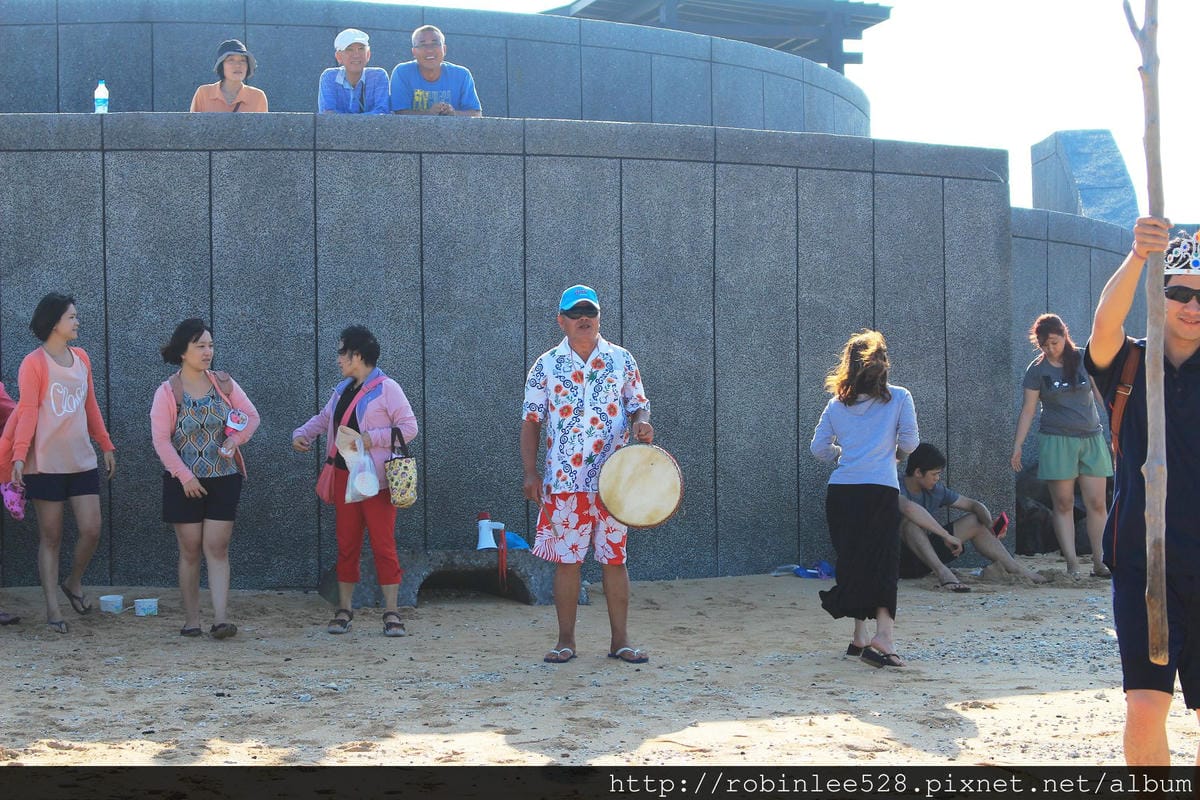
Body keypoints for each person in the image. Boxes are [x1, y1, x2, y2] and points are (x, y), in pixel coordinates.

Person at [1086, 218, 1200, 765]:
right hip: (1143, 561)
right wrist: (1138, 256)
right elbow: (1103, 326)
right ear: (1159, 293)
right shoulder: (1129, 362)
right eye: (1179, 293)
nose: (1192, 307)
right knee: (1147, 705)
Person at [521, 285, 652, 664]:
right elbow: (531, 421)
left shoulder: (622, 359)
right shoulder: (546, 365)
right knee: (568, 561)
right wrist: (530, 472)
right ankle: (565, 641)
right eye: (575, 313)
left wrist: (642, 423)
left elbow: (639, 404)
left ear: (598, 317)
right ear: (560, 320)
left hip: (614, 482)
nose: (583, 319)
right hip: (564, 481)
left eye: (589, 312)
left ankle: (620, 641)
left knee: (615, 559)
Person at [0, 293, 116, 633]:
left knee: (91, 529)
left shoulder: (82, 358)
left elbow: (90, 405)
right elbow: (26, 412)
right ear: (54, 323)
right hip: (45, 464)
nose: (77, 321)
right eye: (72, 317)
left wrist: (105, 444)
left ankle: (73, 582)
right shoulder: (33, 363)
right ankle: (53, 610)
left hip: (82, 461)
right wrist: (19, 456)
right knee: (50, 537)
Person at [292, 326, 417, 637]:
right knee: (346, 544)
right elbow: (325, 419)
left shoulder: (388, 388)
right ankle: (344, 609)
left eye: (341, 352)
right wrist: (302, 433)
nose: (338, 359)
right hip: (344, 475)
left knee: (383, 544)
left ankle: (392, 611)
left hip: (377, 480)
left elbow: (409, 427)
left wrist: (371, 438)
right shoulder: (342, 389)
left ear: (357, 355)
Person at [811, 329, 917, 668]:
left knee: (854, 561)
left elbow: (818, 449)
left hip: (842, 492)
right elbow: (910, 443)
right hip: (880, 489)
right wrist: (893, 453)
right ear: (883, 363)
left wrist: (845, 452)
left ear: (848, 365)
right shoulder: (900, 397)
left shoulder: (836, 404)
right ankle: (883, 636)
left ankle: (860, 635)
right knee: (883, 562)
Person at [150, 319, 260, 640]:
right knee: (189, 550)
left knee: (217, 547)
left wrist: (235, 440)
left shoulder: (224, 383)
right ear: (183, 351)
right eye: (200, 346)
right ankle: (192, 620)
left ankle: (221, 619)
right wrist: (185, 476)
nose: (207, 351)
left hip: (223, 477)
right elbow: (161, 441)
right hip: (183, 482)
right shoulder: (168, 391)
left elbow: (251, 417)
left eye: (210, 345)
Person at [1011, 313, 1112, 578]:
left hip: (1091, 437)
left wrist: (1117, 427)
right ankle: (1072, 564)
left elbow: (1101, 395)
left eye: (1054, 343)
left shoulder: (1083, 358)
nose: (1050, 349)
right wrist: (1018, 445)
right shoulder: (1037, 370)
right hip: (1056, 441)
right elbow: (1028, 410)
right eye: (1044, 345)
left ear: (1065, 336)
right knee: (1064, 503)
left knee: (1097, 502)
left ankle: (1100, 562)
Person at [898, 443, 1046, 590]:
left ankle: (1016, 569)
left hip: (923, 557)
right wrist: (945, 535)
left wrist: (989, 524)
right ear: (918, 472)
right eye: (934, 474)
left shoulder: (936, 490)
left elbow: (974, 505)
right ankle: (943, 573)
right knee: (909, 524)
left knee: (976, 521)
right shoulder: (895, 486)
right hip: (896, 560)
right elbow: (909, 508)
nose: (937, 478)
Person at [390, 25, 482, 116]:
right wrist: (428, 114)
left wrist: (453, 113)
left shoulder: (462, 75)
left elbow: (476, 114)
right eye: (422, 45)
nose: (429, 50)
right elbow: (399, 113)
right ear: (414, 52)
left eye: (435, 44)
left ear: (444, 49)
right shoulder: (402, 72)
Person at [318, 29, 390, 114]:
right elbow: (328, 114)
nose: (356, 55)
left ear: (368, 54)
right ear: (338, 56)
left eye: (361, 49)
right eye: (349, 49)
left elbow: (382, 112)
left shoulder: (378, 76)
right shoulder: (329, 77)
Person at [189, 39, 268, 113]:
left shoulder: (258, 97)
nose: (238, 65)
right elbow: (192, 122)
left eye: (243, 60)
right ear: (221, 66)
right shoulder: (203, 93)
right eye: (231, 60)